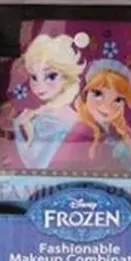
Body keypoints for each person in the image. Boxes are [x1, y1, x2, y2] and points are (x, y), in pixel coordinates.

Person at [13, 32, 89, 169]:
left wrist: (18, 127)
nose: (40, 86)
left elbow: (36, 165)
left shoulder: (52, 119)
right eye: (34, 77)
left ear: (67, 76)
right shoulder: (64, 114)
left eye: (51, 76)